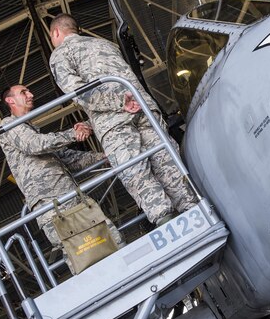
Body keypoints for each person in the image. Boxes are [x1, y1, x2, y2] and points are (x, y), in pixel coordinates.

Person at [48, 13, 197, 228]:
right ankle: (194, 211)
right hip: (144, 108)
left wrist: (118, 101)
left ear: (56, 33)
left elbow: (78, 91)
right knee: (167, 163)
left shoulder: (61, 54)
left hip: (114, 121)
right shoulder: (104, 44)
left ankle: (169, 223)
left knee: (135, 173)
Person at [0, 84, 124, 274]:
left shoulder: (32, 129)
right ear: (10, 100)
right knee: (79, 253)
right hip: (49, 205)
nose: (31, 94)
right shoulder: (9, 126)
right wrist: (72, 134)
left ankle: (127, 271)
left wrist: (104, 157)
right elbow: (34, 145)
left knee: (107, 237)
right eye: (24, 92)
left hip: (69, 196)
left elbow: (68, 158)